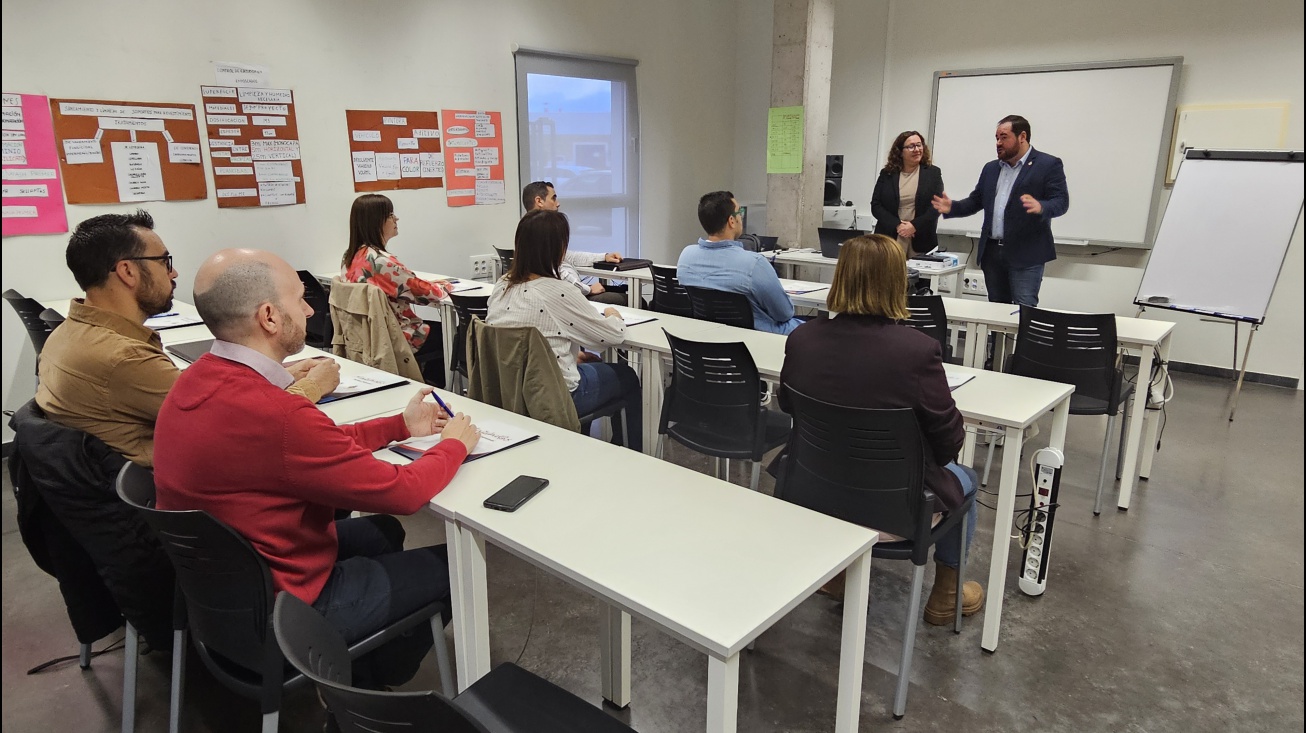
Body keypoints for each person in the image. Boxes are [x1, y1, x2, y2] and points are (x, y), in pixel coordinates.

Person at [154, 248, 481, 688]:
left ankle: (363, 661)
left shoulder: (195, 379)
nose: (310, 309)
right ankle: (367, 691)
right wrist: (453, 447)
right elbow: (403, 493)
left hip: (227, 600)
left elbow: (310, 448)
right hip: (284, 612)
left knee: (380, 532)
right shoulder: (277, 414)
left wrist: (397, 426)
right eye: (300, 298)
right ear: (269, 316)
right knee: (452, 566)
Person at [779, 234, 982, 625]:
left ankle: (837, 575)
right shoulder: (917, 351)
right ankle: (946, 594)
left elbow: (790, 408)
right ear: (897, 282)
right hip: (893, 513)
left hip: (812, 495)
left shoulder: (801, 339)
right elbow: (948, 444)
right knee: (967, 477)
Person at [36, 210, 338, 468]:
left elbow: (191, 396)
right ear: (127, 271)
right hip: (182, 499)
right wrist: (314, 385)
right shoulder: (121, 358)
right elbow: (245, 427)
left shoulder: (71, 331)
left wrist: (274, 377)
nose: (174, 272)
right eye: (164, 262)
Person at [486, 209, 643, 449]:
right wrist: (614, 315)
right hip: (554, 396)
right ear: (558, 249)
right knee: (628, 376)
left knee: (588, 364)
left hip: (509, 391)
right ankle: (630, 453)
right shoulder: (557, 291)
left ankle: (580, 442)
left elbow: (525, 340)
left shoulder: (501, 285)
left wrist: (570, 355)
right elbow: (608, 337)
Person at [931, 114, 1069, 306]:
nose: (998, 143)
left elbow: (1061, 202)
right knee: (996, 309)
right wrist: (952, 207)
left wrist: (1042, 207)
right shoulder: (991, 168)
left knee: (1024, 309)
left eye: (1004, 137)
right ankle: (996, 339)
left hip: (1026, 253)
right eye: (996, 138)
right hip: (993, 253)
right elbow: (976, 200)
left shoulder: (1047, 165)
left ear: (1022, 136)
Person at [341, 193, 452, 385]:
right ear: (377, 221)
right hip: (397, 336)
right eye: (391, 215)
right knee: (451, 335)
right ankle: (436, 387)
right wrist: (446, 285)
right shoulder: (380, 261)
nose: (396, 219)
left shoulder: (350, 257)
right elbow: (427, 294)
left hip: (365, 337)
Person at [677, 190, 802, 335]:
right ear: (731, 221)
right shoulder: (754, 264)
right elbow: (784, 313)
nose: (741, 217)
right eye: (739, 213)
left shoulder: (686, 256)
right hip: (759, 340)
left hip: (710, 337)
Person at [521, 180, 626, 305]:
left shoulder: (526, 229)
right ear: (539, 201)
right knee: (628, 299)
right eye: (553, 198)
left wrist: (604, 257)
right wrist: (588, 289)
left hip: (568, 293)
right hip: (571, 297)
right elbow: (557, 273)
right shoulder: (539, 231)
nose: (558, 203)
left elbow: (566, 257)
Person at [870, 130, 946, 256]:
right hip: (890, 237)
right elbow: (876, 205)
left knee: (917, 275)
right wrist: (898, 225)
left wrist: (914, 226)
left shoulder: (933, 173)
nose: (917, 149)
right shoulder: (887, 174)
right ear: (900, 151)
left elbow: (936, 207)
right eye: (911, 146)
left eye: (919, 145)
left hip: (920, 238)